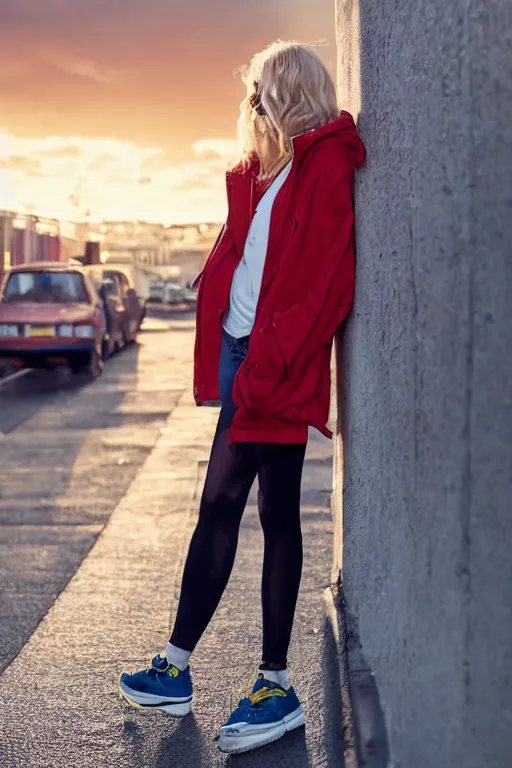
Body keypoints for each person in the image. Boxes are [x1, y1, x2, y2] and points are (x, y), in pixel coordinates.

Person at [119, 39, 365, 755]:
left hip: (268, 367)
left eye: (260, 92)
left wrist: (265, 365)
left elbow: (325, 284)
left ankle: (194, 669)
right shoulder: (275, 168)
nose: (250, 105)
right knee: (274, 512)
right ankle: (264, 678)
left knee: (220, 506)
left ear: (286, 94)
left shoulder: (322, 165)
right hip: (247, 358)